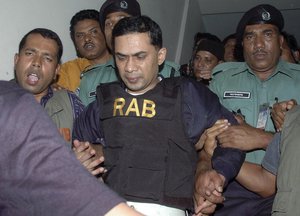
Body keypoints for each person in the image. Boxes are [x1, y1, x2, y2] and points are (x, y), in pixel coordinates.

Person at [73, 15, 245, 216]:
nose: (129, 67)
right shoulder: (103, 101)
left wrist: (217, 174)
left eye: (140, 56)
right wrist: (80, 163)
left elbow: (232, 135)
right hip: (110, 208)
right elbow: (77, 149)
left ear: (161, 55)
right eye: (121, 57)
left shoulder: (188, 95)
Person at [198, 4, 300, 215]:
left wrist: (263, 138)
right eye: (251, 37)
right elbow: (202, 141)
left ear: (281, 42)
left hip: (289, 186)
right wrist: (203, 171)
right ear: (242, 44)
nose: (259, 44)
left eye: (268, 35)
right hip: (229, 186)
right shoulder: (222, 80)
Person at [0, 80, 143, 216]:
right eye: (30, 52)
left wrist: (90, 159)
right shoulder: (11, 103)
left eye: (48, 58)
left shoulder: (69, 102)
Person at [79, 0, 180, 106]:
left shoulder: (169, 72)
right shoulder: (90, 80)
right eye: (108, 23)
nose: (114, 27)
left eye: (122, 20)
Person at [55, 9, 111, 92]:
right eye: (80, 36)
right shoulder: (67, 71)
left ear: (105, 33)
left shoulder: (123, 63)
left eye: (93, 32)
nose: (87, 39)